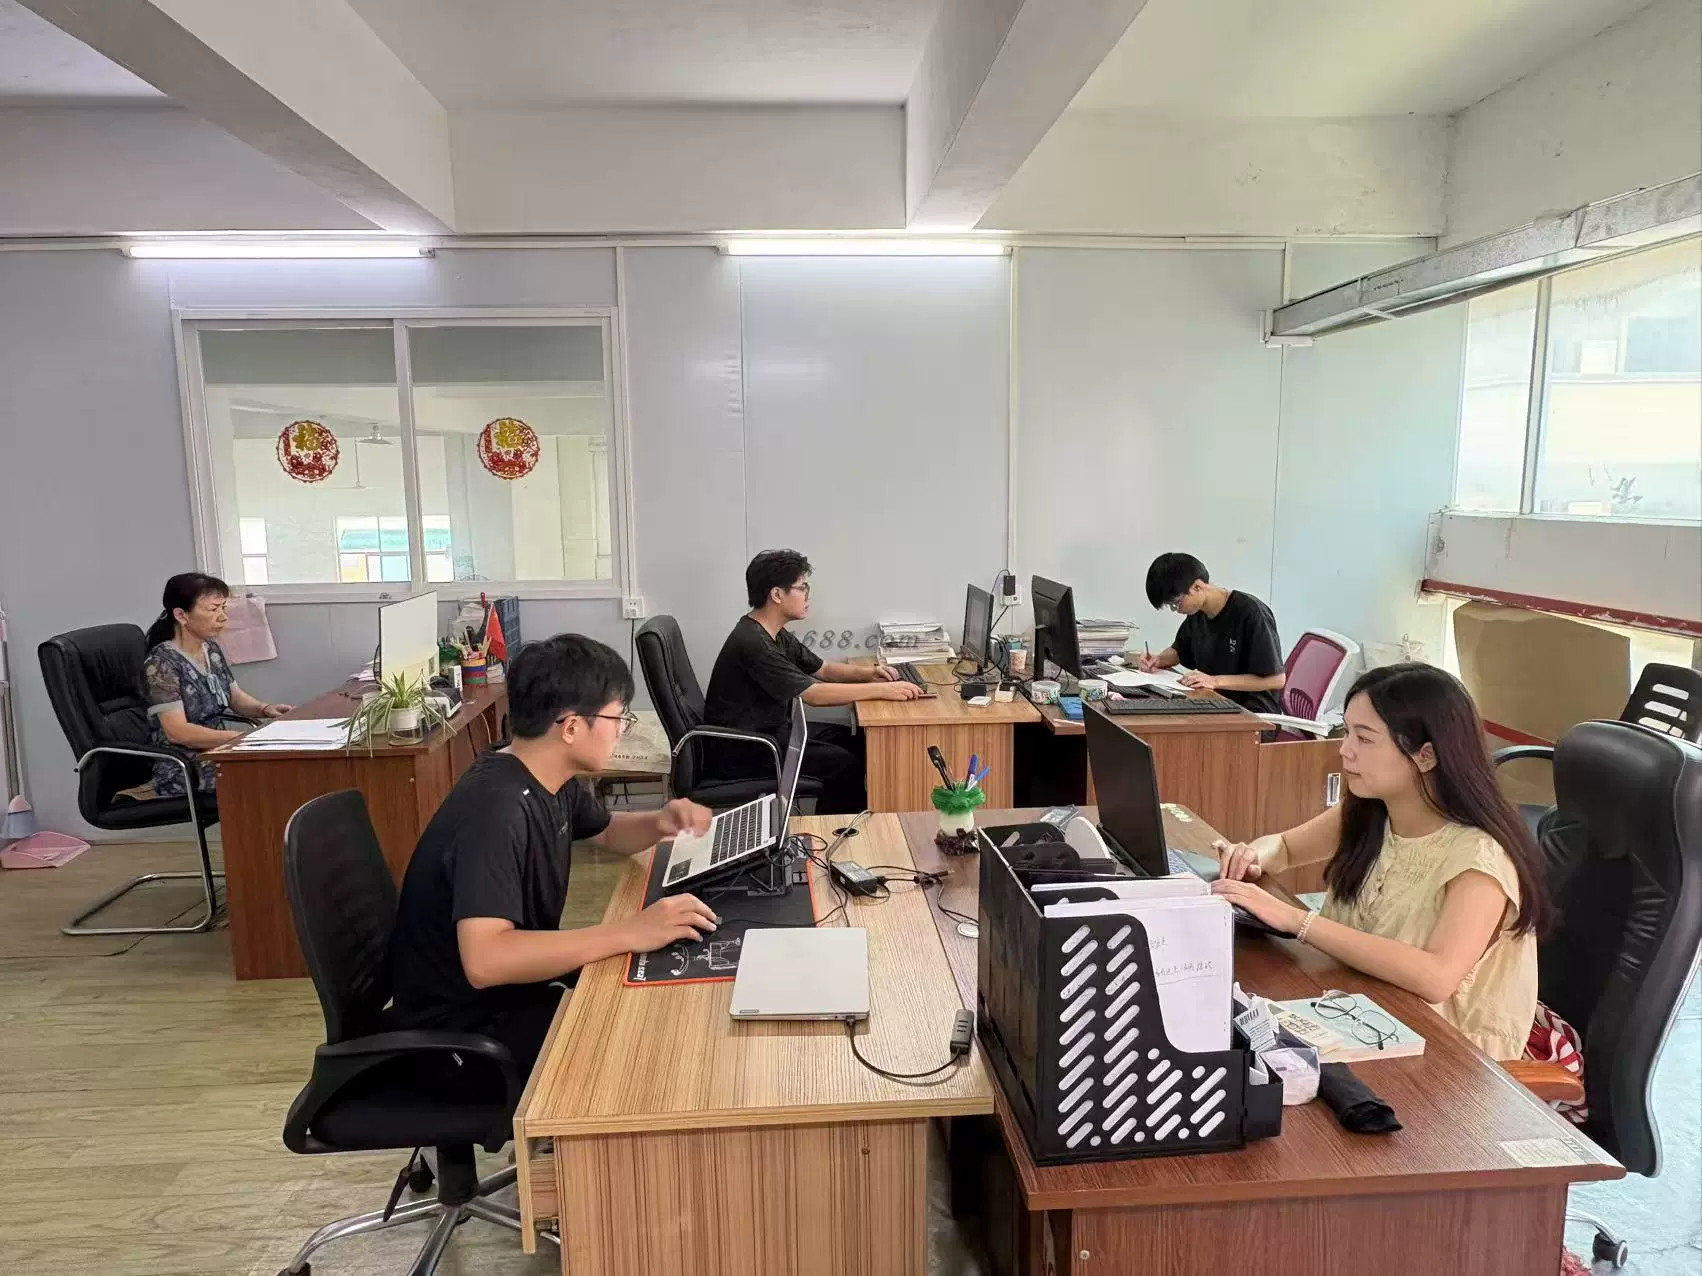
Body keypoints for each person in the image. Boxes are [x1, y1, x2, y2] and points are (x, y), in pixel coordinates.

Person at [389, 633, 717, 1076]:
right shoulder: (496, 810)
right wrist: (628, 932)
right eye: (617, 718)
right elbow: (486, 960)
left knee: (655, 998)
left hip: (508, 998)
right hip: (461, 1039)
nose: (620, 730)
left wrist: (661, 821)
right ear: (571, 727)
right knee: (646, 1049)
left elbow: (608, 832)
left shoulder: (542, 773)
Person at [1208, 663, 1547, 1061]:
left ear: (1425, 756)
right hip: (1357, 1010)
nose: (1345, 749)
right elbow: (1283, 847)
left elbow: (1437, 977)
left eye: (1365, 738)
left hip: (1444, 1056)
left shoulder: (1480, 856)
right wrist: (1252, 855)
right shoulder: (1372, 810)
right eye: (1347, 731)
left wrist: (1297, 921)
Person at [703, 549, 920, 814]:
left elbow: (823, 669)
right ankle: (835, 832)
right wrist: (884, 690)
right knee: (844, 763)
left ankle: (849, 822)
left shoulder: (773, 633)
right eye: (802, 588)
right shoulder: (754, 644)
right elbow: (813, 695)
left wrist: (869, 673)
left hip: (771, 733)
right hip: (746, 750)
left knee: (857, 741)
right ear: (777, 594)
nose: (808, 595)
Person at [142, 572, 292, 795]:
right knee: (270, 774)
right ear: (181, 615)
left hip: (218, 751)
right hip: (183, 767)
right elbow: (178, 732)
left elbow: (235, 697)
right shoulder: (161, 663)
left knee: (285, 764)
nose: (222, 617)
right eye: (213, 609)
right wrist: (241, 739)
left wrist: (265, 709)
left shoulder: (210, 649)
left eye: (223, 608)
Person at [1138, 552, 1285, 714]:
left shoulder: (1250, 612)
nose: (1176, 610)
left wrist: (1215, 681)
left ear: (1197, 586)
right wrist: (1158, 659)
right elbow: (1180, 651)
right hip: (1213, 701)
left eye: (1177, 603)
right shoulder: (1197, 613)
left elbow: (1276, 679)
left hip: (1252, 713)